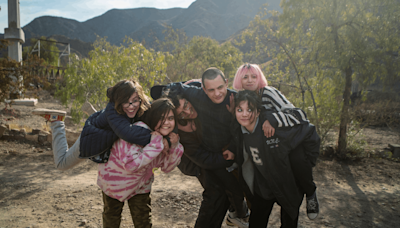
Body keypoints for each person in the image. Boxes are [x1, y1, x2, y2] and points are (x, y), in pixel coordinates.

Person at [32, 79, 183, 228]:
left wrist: (170, 141)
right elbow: (127, 134)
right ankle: (57, 122)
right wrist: (159, 141)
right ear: (118, 101)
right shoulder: (113, 112)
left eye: (135, 101)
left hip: (131, 173)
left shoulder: (144, 108)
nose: (131, 106)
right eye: (126, 101)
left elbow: (158, 115)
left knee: (141, 217)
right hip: (94, 138)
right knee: (62, 163)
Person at [156, 68, 249, 228]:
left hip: (216, 153)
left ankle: (236, 213)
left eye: (186, 105)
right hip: (197, 162)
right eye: (182, 113)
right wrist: (225, 159)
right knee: (215, 192)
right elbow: (202, 158)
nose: (188, 111)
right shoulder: (179, 133)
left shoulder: (203, 100)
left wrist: (232, 115)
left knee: (224, 191)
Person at [232, 63, 320, 219]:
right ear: (239, 80)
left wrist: (273, 119)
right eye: (245, 77)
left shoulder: (268, 93)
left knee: (297, 161)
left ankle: (311, 192)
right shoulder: (241, 99)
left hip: (292, 138)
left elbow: (298, 115)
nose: (250, 80)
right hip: (269, 146)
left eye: (254, 76)